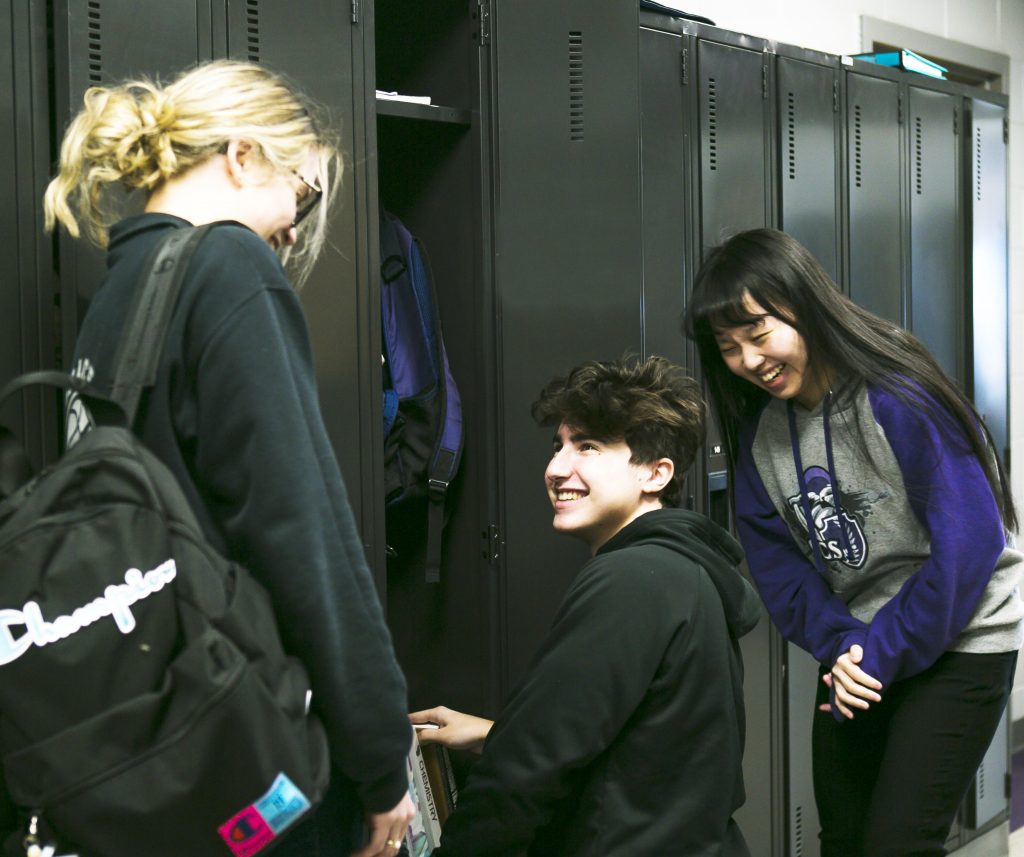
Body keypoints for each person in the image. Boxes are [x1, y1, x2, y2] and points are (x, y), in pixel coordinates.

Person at [40, 60, 414, 857]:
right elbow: (303, 532)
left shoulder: (122, 287)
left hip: (151, 748)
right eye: (302, 195)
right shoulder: (227, 264)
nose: (294, 229)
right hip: (241, 737)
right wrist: (383, 760)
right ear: (242, 156)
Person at [685, 228, 1024, 857]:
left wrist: (873, 651)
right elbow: (780, 572)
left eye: (759, 335)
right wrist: (844, 645)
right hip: (858, 650)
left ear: (805, 305)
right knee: (844, 839)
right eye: (728, 348)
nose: (748, 361)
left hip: (962, 634)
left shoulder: (897, 398)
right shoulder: (762, 439)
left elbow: (970, 545)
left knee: (898, 842)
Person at [411, 355, 759, 857]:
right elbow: (647, 751)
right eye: (559, 446)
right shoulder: (681, 571)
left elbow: (527, 771)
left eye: (588, 446)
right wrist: (498, 734)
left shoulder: (632, 579)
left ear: (655, 474)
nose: (555, 469)